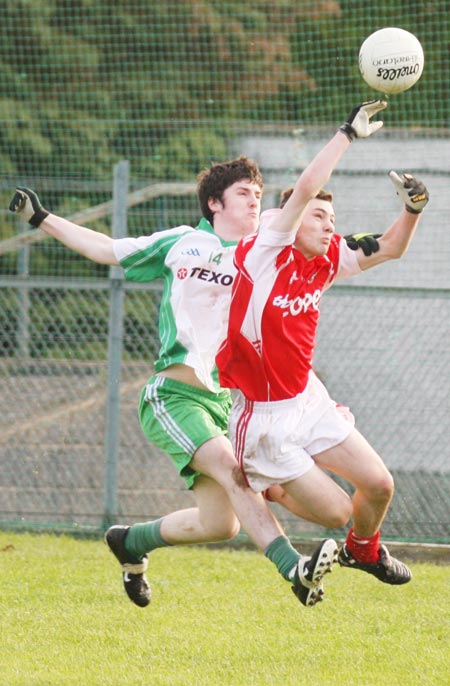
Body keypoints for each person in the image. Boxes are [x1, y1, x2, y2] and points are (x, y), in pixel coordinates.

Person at [8, 100, 386, 608]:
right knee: (236, 475)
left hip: (224, 403)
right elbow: (106, 249)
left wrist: (360, 241)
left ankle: (129, 541)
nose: (254, 201)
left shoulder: (266, 249)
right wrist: (43, 219)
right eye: (243, 194)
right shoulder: (182, 243)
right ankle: (293, 568)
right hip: (175, 393)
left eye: (257, 193)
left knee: (221, 523)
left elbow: (313, 222)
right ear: (214, 203)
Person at [216, 113, 429, 585]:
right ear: (292, 216)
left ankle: (364, 551)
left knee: (378, 486)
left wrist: (413, 209)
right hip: (265, 417)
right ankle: (265, 481)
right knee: (335, 513)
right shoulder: (266, 250)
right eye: (318, 213)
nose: (329, 223)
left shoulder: (327, 259)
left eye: (333, 219)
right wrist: (348, 133)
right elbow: (309, 185)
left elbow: (392, 248)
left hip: (306, 400)